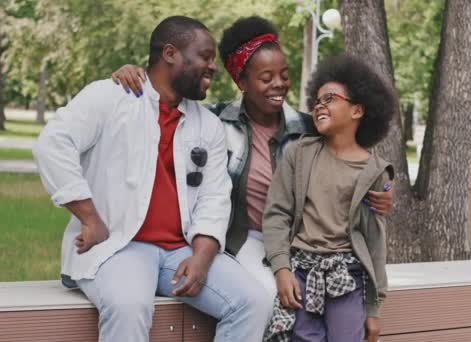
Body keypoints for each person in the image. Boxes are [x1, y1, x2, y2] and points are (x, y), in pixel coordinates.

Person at [112, 16, 393, 304]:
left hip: (296, 241)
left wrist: (382, 190)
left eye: (284, 75)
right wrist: (134, 73)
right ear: (242, 81)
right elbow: (167, 97)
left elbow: (353, 158)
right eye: (266, 78)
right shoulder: (214, 122)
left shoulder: (309, 129)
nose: (279, 85)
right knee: (271, 298)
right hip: (241, 241)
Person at [32, 16, 269, 342]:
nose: (212, 67)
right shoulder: (111, 97)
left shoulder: (207, 125)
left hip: (181, 252)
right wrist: (88, 216)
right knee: (129, 306)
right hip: (119, 248)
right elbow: (52, 145)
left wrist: (200, 258)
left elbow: (215, 198)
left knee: (253, 303)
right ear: (170, 53)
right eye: (204, 56)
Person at [262, 55, 396, 342]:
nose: (320, 105)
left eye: (330, 98)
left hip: (348, 277)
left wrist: (373, 308)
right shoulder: (299, 153)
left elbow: (375, 240)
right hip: (301, 272)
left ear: (357, 110)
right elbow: (276, 214)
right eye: (317, 100)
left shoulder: (374, 171)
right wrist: (282, 268)